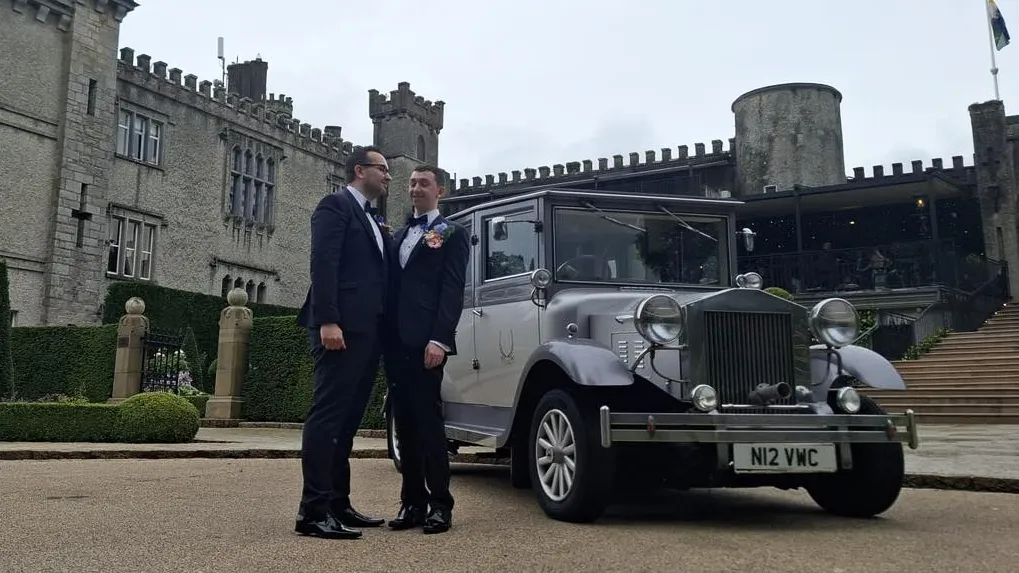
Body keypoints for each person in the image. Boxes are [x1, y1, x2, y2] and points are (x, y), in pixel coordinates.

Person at [294, 145, 393, 540]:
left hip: (368, 331)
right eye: (381, 168)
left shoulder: (372, 216)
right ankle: (312, 511)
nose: (388, 175)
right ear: (358, 171)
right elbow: (323, 262)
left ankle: (338, 503)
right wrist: (328, 319)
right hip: (341, 329)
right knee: (328, 417)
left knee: (348, 421)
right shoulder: (334, 206)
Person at [383, 165, 470, 534]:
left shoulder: (452, 234)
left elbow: (451, 291)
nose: (416, 188)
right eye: (413, 183)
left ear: (441, 192)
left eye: (424, 183)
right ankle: (412, 503)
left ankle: (440, 505)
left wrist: (440, 339)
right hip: (395, 342)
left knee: (429, 423)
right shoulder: (399, 235)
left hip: (425, 344)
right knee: (403, 422)